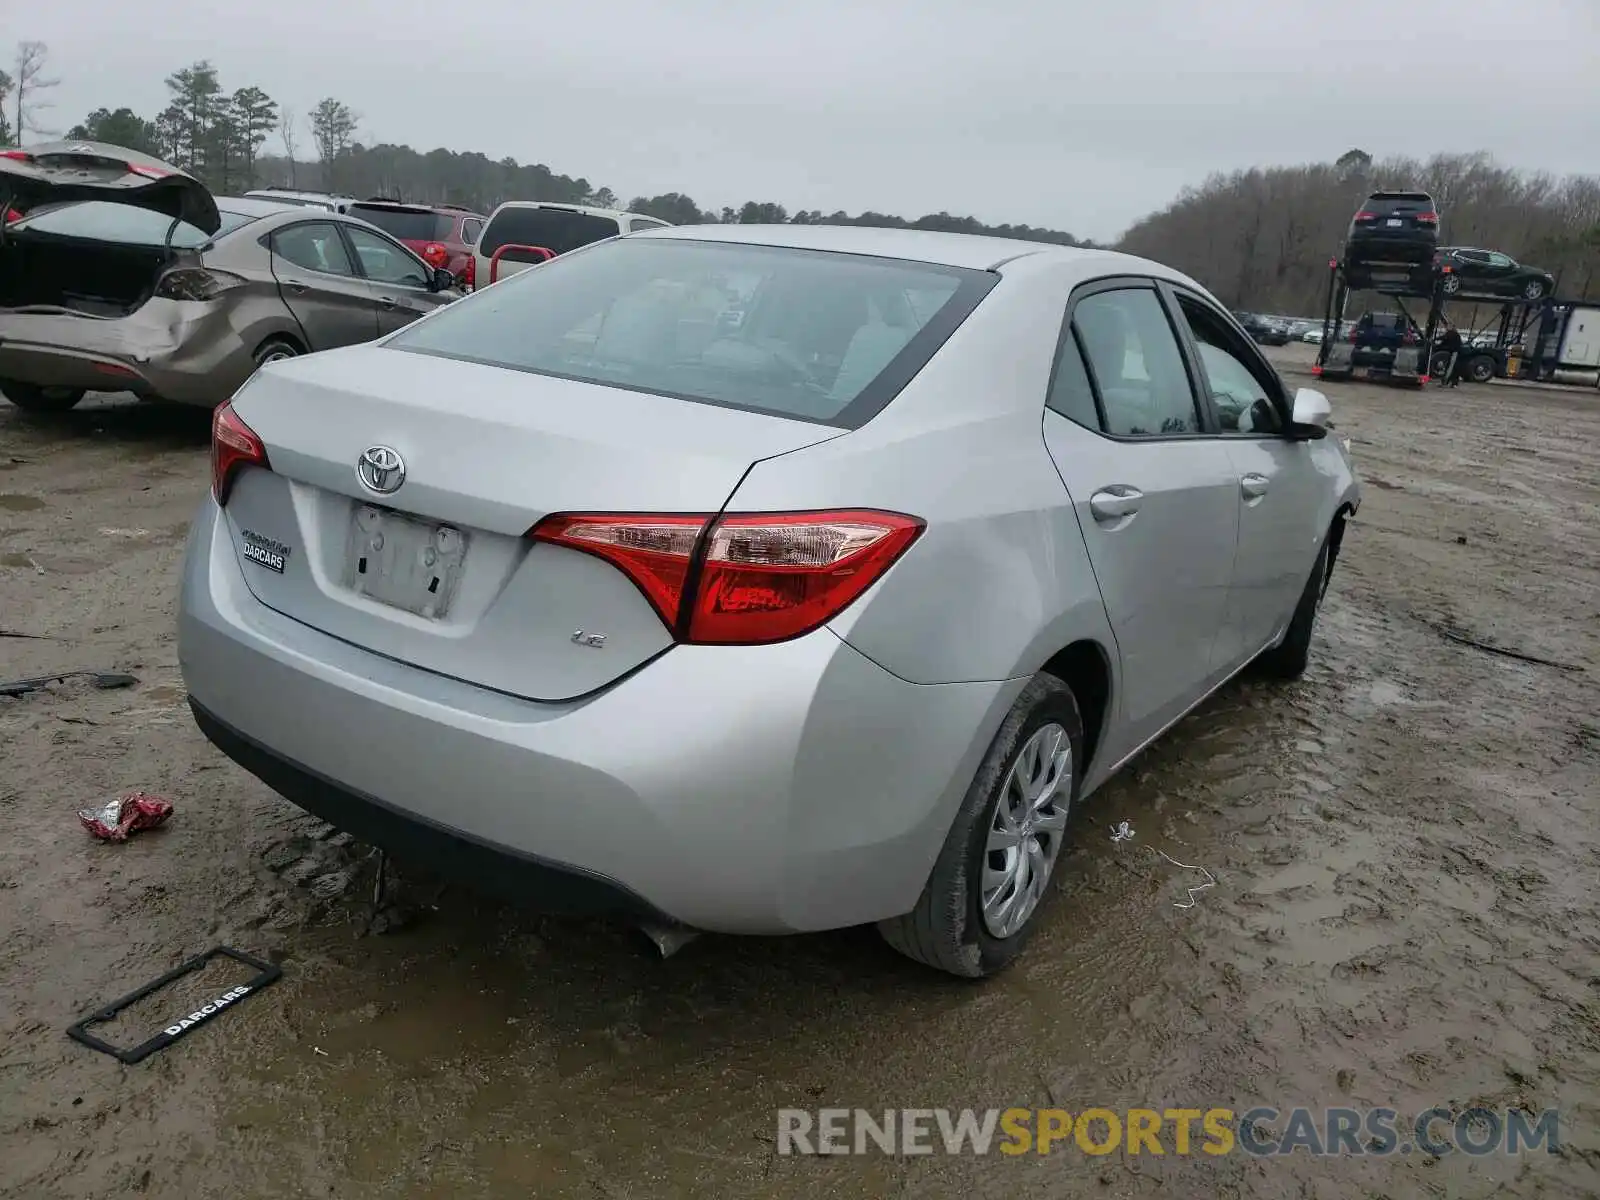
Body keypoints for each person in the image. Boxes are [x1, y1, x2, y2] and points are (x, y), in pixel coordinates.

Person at [1437, 321, 1464, 387]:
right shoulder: (1452, 334)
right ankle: (1453, 383)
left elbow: (1444, 338)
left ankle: (1446, 382)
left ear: (1452, 327)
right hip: (1453, 352)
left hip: (1455, 353)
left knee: (1450, 368)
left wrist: (1436, 339)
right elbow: (1444, 341)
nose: (1447, 327)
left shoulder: (1453, 334)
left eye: (1448, 326)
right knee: (1453, 368)